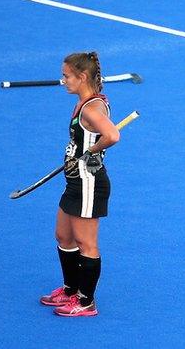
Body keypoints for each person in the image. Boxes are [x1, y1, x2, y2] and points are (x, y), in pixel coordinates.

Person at [39, 52, 120, 317]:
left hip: (89, 183)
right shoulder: (84, 102)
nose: (63, 81)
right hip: (75, 182)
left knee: (86, 243)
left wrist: (89, 152)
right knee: (63, 236)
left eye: (66, 76)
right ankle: (71, 288)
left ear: (82, 76)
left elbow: (112, 135)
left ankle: (86, 302)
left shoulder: (92, 109)